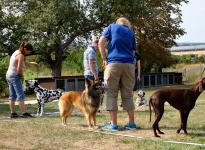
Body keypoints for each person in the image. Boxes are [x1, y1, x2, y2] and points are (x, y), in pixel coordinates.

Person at [98, 17, 138, 131]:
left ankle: (113, 125)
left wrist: (104, 59)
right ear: (127, 24)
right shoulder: (131, 32)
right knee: (128, 94)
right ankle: (131, 123)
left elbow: (101, 42)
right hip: (129, 65)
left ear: (117, 23)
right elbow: (133, 52)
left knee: (111, 93)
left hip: (114, 63)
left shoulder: (111, 27)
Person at [6, 42, 38, 118]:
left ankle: (13, 113)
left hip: (9, 75)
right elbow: (19, 68)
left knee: (12, 96)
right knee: (21, 95)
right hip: (15, 76)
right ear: (25, 49)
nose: (28, 53)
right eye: (28, 52)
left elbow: (21, 62)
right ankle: (24, 113)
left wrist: (31, 63)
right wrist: (21, 76)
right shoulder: (21, 55)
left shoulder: (16, 52)